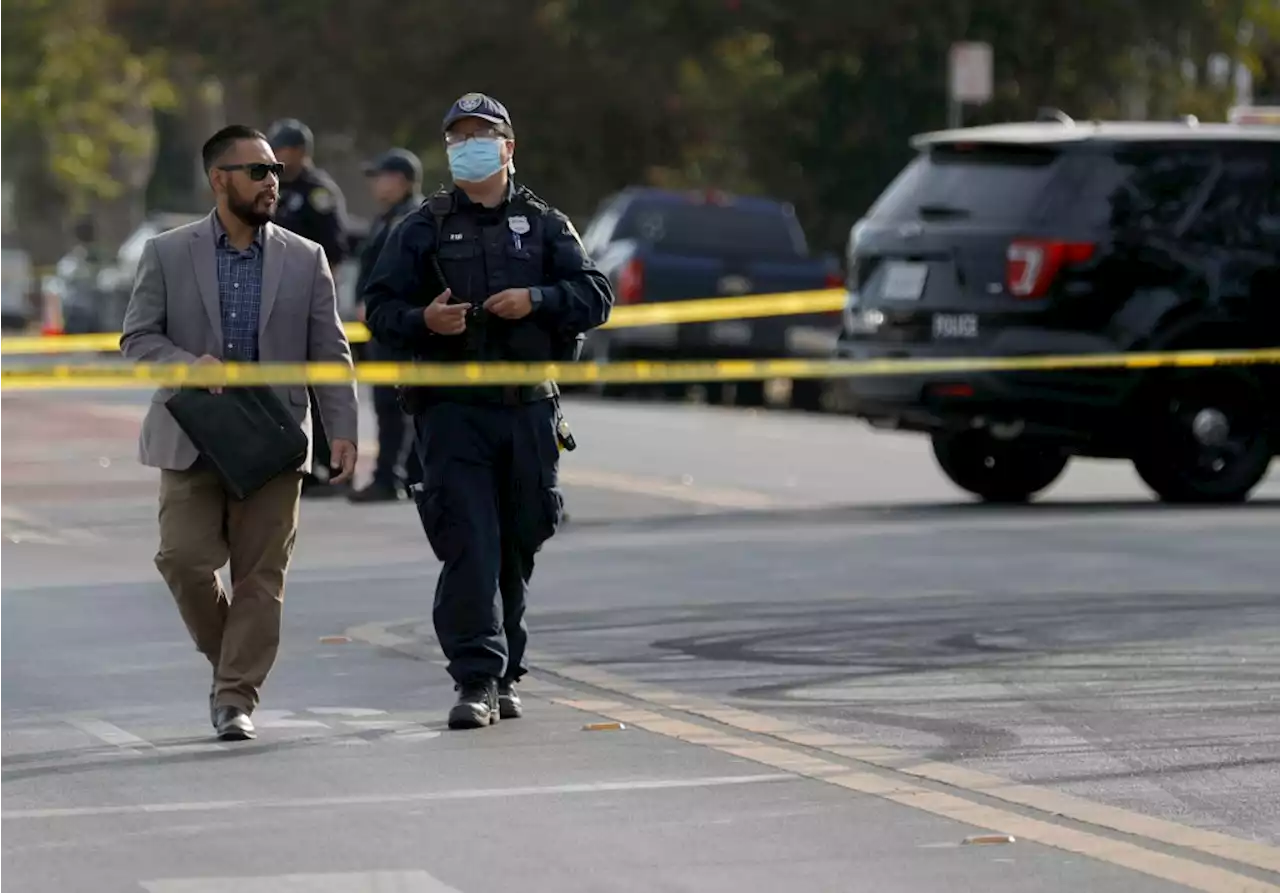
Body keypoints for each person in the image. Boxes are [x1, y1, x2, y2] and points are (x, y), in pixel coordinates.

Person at [362, 92, 614, 730]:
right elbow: (380, 313)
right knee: (470, 543)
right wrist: (427, 319)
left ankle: (507, 672)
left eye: (481, 135)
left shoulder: (547, 224)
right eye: (457, 138)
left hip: (527, 411)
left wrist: (537, 298)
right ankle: (475, 678)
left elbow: (596, 294)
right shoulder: (422, 227)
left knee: (519, 541)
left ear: (508, 147)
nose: (467, 146)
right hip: (452, 414)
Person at [119, 124, 359, 741]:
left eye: (275, 170)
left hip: (273, 441)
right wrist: (185, 366)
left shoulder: (306, 258)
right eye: (257, 171)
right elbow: (137, 338)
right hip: (192, 433)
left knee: (261, 579)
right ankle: (234, 659)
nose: (271, 181)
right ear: (219, 179)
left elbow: (329, 353)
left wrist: (342, 428)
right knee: (183, 561)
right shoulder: (168, 253)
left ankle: (234, 697)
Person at [266, 117, 353, 499]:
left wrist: (317, 297)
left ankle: (330, 465)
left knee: (321, 387)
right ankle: (294, 461)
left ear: (301, 152)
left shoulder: (318, 192)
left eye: (284, 150)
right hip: (275, 299)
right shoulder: (272, 188)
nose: (279, 157)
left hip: (308, 296)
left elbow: (334, 251)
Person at [349, 148, 426, 503]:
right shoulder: (387, 218)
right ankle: (408, 475)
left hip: (399, 327)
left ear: (403, 181)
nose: (377, 184)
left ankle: (390, 478)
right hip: (383, 327)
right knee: (390, 402)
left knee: (395, 404)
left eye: (383, 176)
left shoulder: (413, 218)